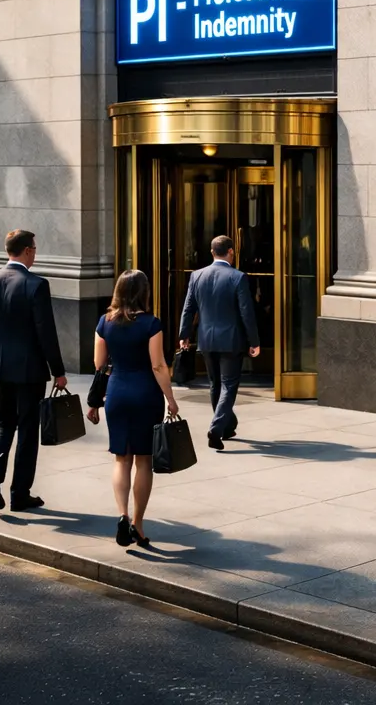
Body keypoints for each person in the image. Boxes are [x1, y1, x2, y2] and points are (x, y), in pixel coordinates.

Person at [0, 229, 67, 512]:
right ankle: (19, 493)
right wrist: (58, 370)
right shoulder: (36, 284)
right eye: (34, 249)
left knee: (3, 422)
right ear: (26, 251)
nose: (35, 253)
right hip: (29, 369)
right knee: (26, 428)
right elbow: (45, 332)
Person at [93, 270, 179, 549]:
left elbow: (99, 363)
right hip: (145, 395)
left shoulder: (104, 322)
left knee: (121, 459)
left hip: (116, 393)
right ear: (144, 292)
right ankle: (138, 525)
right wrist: (171, 398)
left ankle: (122, 515)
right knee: (143, 460)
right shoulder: (151, 324)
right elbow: (158, 365)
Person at [178, 234, 259, 451]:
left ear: (212, 253)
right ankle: (216, 428)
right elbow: (246, 313)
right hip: (231, 341)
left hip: (206, 339)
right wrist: (254, 341)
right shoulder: (238, 277)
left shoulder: (197, 276)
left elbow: (188, 309)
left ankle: (227, 426)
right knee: (229, 385)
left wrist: (184, 335)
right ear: (231, 252)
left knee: (215, 385)